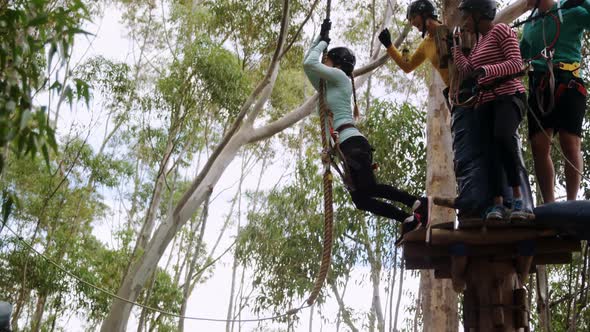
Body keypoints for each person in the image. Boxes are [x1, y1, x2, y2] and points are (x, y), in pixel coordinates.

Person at [303, 20, 431, 234]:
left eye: (326, 59)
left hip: (351, 143)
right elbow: (309, 63)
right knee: (362, 200)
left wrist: (323, 41)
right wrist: (320, 39)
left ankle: (417, 201)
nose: (323, 63)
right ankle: (408, 218)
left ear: (337, 63)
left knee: (369, 188)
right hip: (344, 147)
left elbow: (309, 64)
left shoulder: (340, 77)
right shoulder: (328, 85)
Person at [452, 0, 532, 220]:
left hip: (508, 95)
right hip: (485, 101)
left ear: (480, 14)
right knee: (488, 150)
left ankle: (518, 199)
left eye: (467, 16)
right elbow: (468, 70)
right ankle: (497, 203)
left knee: (503, 137)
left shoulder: (501, 30)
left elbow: (516, 63)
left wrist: (487, 69)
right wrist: (457, 49)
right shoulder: (479, 44)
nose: (465, 22)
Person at [519, 0, 590, 203]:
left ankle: (571, 203)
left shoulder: (572, 10)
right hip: (540, 84)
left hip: (568, 81)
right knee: (539, 146)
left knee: (570, 143)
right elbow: (520, 53)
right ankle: (550, 206)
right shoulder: (530, 24)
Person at [378, 0, 450, 87]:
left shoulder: (450, 26)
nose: (412, 23)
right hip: (456, 93)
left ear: (425, 14)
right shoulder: (425, 45)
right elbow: (408, 66)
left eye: (414, 17)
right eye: (410, 20)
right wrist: (389, 45)